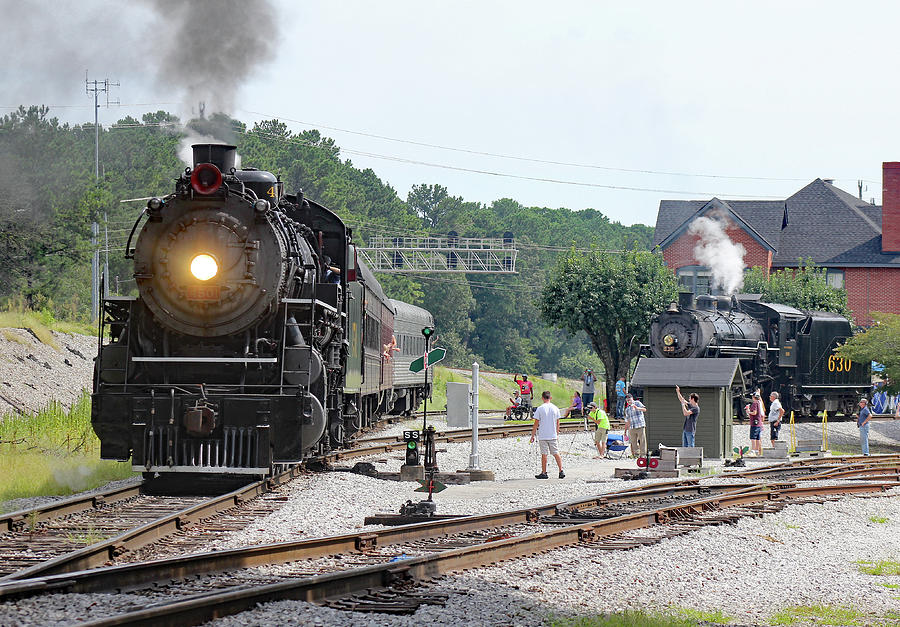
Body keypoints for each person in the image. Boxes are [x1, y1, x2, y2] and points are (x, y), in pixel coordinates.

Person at [530, 390, 564, 478]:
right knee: (556, 453)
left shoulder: (540, 408)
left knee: (544, 454)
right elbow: (558, 423)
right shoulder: (555, 408)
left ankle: (544, 472)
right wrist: (557, 434)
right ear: (550, 398)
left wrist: (533, 435)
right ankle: (561, 470)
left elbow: (536, 423)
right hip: (553, 435)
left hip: (543, 435)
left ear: (542, 398)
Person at [623, 393, 647, 459]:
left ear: (632, 398)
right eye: (627, 401)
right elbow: (627, 421)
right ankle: (636, 454)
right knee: (633, 442)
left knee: (642, 440)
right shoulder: (627, 409)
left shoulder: (637, 403)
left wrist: (637, 408)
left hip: (640, 425)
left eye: (630, 400)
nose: (629, 401)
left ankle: (643, 455)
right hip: (632, 427)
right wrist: (625, 431)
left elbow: (644, 409)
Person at [746, 391, 765, 456]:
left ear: (754, 397)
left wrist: (748, 411)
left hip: (754, 423)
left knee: (753, 438)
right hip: (759, 423)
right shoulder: (759, 403)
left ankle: (753, 451)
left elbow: (754, 412)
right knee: (757, 438)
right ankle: (757, 451)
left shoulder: (754, 403)